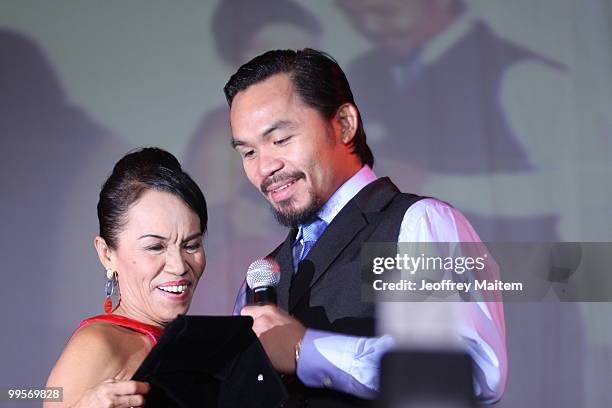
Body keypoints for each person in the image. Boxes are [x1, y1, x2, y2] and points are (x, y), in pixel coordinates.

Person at [224, 48, 507, 407]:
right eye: (247, 152)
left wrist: (304, 350)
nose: (264, 167)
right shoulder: (262, 277)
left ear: (343, 124)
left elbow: (471, 371)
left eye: (280, 139)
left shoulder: (418, 222)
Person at [45, 148, 208, 407]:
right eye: (155, 247)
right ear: (107, 254)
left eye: (191, 245)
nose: (179, 266)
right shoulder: (98, 345)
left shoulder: (196, 344)